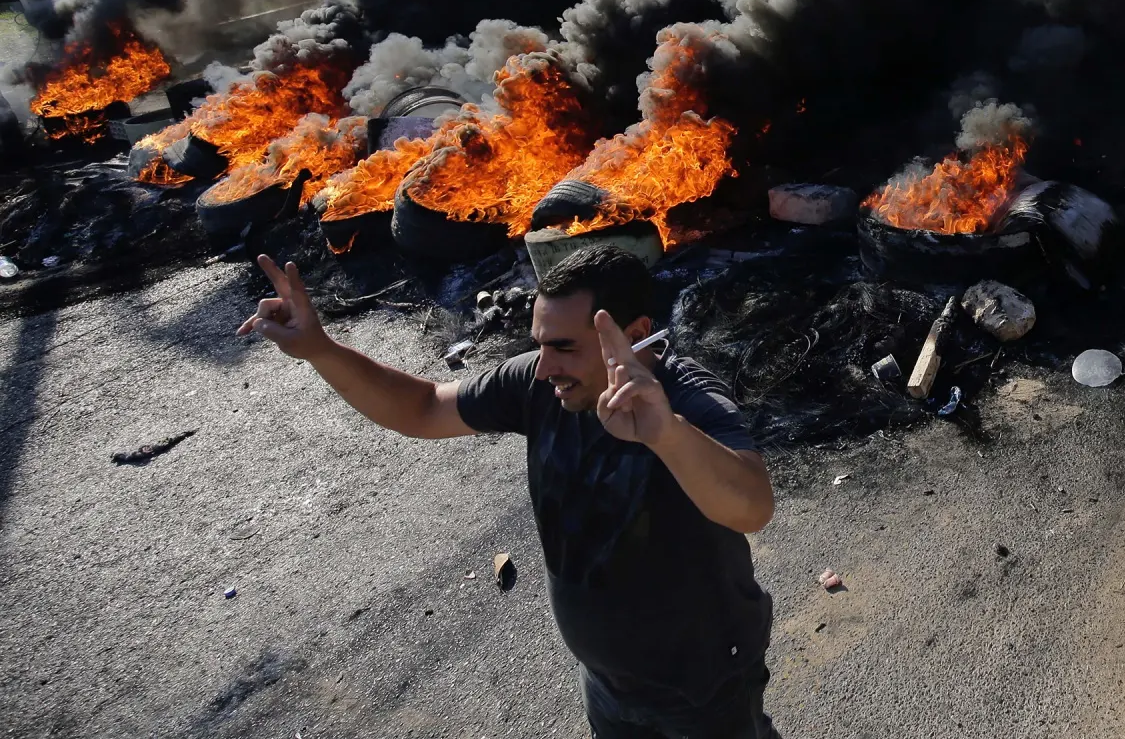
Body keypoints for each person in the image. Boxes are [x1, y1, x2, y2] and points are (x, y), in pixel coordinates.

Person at [238, 245, 782, 739]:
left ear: (636, 334)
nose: (544, 367)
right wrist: (320, 349)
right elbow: (424, 408)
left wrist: (667, 434)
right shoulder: (539, 384)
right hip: (607, 683)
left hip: (705, 687)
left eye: (565, 347)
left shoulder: (689, 402)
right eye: (539, 344)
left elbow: (751, 507)